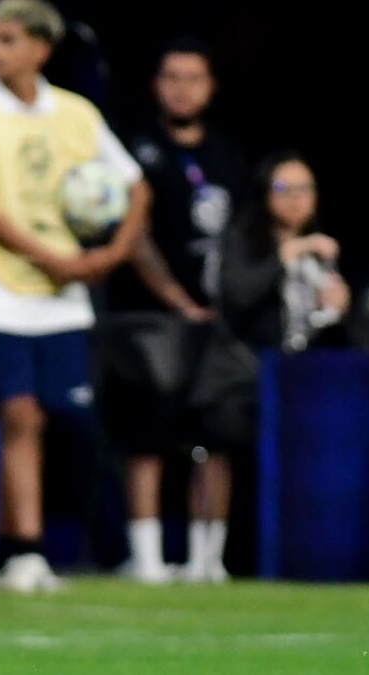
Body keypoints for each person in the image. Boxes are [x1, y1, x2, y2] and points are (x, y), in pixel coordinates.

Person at [0, 0, 149, 593]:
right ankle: (28, 552)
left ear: (40, 49)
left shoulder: (76, 114)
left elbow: (136, 187)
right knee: (20, 415)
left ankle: (7, 555)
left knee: (54, 422)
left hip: (64, 300)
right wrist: (49, 258)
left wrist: (110, 255)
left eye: (7, 40)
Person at [97, 36, 249, 584]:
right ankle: (148, 557)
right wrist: (176, 299)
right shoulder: (135, 152)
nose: (183, 90)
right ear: (156, 86)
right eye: (172, 78)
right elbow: (133, 236)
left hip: (217, 319)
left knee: (216, 435)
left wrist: (225, 301)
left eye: (194, 79)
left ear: (211, 87)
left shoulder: (228, 157)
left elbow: (241, 235)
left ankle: (209, 559)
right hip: (148, 318)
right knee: (148, 433)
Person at [220, 150, 351, 355]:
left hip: (307, 360)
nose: (295, 197)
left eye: (304, 188)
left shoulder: (320, 247)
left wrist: (340, 304)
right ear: (265, 192)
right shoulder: (241, 238)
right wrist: (284, 256)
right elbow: (238, 297)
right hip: (252, 362)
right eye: (282, 188)